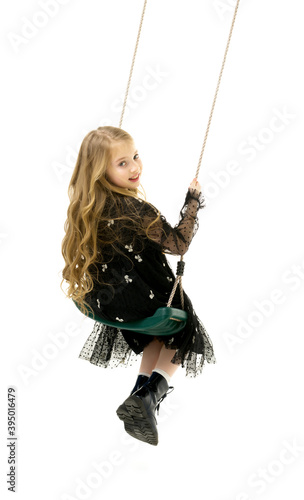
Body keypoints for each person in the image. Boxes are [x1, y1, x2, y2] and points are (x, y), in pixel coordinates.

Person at [61, 126, 216, 445]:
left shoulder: (88, 205)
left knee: (154, 336)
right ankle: (152, 395)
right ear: (100, 171)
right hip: (144, 301)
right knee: (183, 329)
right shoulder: (139, 211)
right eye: (122, 163)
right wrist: (192, 203)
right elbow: (178, 243)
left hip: (110, 305)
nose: (134, 167)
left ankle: (139, 394)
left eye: (135, 156)